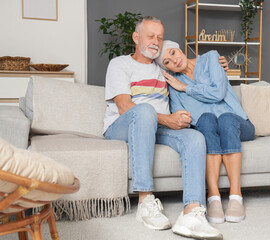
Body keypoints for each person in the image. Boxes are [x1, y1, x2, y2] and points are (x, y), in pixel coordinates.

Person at [103, 16, 227, 239]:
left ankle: (191, 213)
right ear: (136, 37)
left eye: (159, 37)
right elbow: (124, 107)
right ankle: (145, 201)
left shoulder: (164, 70)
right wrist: (168, 119)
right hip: (121, 127)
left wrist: (218, 65)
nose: (155, 41)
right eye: (150, 36)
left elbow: (195, 72)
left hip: (156, 128)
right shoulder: (120, 64)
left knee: (194, 138)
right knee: (144, 110)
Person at [155, 40, 255, 224]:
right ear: (166, 69)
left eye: (173, 52)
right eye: (167, 62)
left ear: (179, 49)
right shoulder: (173, 84)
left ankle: (236, 196)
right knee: (207, 119)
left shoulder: (211, 57)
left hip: (238, 123)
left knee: (225, 118)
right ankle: (214, 198)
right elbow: (184, 116)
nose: (174, 60)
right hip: (209, 130)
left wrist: (186, 88)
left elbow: (218, 93)